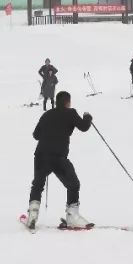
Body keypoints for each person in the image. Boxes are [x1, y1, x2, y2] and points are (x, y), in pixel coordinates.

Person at [26, 91, 93, 230]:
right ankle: (72, 216)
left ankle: (32, 215)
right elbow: (84, 127)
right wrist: (87, 117)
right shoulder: (70, 113)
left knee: (37, 185)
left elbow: (35, 135)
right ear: (67, 102)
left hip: (41, 155)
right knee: (73, 184)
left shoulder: (46, 114)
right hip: (58, 157)